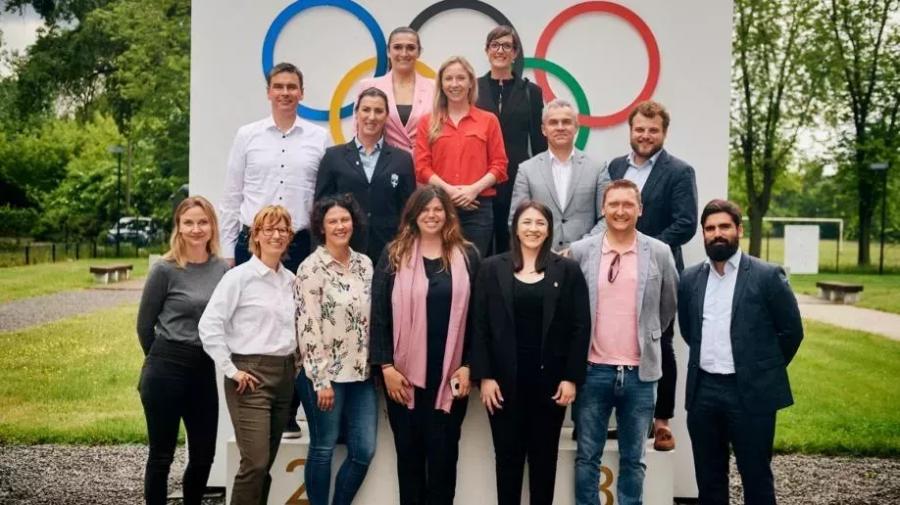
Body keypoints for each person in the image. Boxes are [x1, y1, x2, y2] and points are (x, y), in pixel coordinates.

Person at [219, 61, 328, 438]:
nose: (285, 93)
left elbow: (322, 198)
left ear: (302, 93)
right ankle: (253, 400)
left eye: (291, 87)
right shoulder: (247, 135)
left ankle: (290, 410)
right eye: (278, 86)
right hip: (253, 239)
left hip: (299, 242)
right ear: (268, 92)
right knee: (254, 319)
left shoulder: (318, 138)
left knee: (297, 324)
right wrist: (229, 250)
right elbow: (232, 195)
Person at [679, 199, 803, 505]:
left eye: (724, 226)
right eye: (710, 228)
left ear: (739, 230)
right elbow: (689, 330)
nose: (717, 234)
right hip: (704, 392)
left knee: (756, 477)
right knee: (708, 480)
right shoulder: (690, 279)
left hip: (750, 392)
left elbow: (791, 332)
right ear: (703, 234)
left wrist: (759, 370)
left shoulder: (767, 276)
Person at [471, 200, 590, 505]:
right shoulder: (491, 268)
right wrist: (484, 377)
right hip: (502, 386)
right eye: (527, 222)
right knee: (507, 461)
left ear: (549, 230)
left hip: (550, 386)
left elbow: (580, 327)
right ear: (515, 227)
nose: (533, 229)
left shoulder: (568, 270)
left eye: (540, 223)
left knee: (544, 462)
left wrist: (571, 378)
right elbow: (479, 325)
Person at [370, 185, 481, 505]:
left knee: (444, 462)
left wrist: (469, 365)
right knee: (409, 461)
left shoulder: (468, 255)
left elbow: (480, 317)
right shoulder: (393, 254)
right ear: (413, 215)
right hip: (402, 380)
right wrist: (386, 367)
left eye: (438, 209)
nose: (432, 215)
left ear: (448, 214)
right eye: (425, 209)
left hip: (450, 378)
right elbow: (379, 315)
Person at [569, 179, 678, 505]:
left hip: (640, 375)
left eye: (628, 204)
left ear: (640, 209)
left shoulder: (659, 252)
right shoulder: (581, 251)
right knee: (587, 456)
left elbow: (668, 306)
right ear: (603, 208)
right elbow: (570, 309)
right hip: (593, 371)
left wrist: (648, 336)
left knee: (634, 458)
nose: (620, 211)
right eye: (613, 204)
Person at [606, 100, 698, 450]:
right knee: (616, 339)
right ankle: (623, 420)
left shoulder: (680, 171)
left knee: (659, 340)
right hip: (615, 269)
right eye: (640, 129)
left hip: (659, 269)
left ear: (664, 133)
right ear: (631, 131)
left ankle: (661, 422)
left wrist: (645, 248)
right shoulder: (616, 167)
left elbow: (686, 223)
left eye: (653, 130)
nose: (645, 135)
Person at [198, 205, 298, 505]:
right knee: (254, 462)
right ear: (256, 235)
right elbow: (209, 325)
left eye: (282, 230)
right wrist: (231, 369)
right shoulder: (239, 278)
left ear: (290, 236)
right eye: (269, 229)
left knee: (264, 465)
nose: (276, 235)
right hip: (250, 376)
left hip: (284, 376)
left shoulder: (291, 280)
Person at [136, 196, 229, 505]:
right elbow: (144, 325)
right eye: (188, 222)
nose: (196, 229)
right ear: (178, 227)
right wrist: (159, 360)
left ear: (212, 226)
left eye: (202, 222)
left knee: (204, 455)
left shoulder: (222, 269)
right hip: (166, 365)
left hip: (202, 366)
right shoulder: (164, 269)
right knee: (161, 456)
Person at [294, 194, 376, 505]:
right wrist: (320, 380)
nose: (340, 226)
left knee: (363, 450)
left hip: (361, 374)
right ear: (321, 227)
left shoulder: (365, 264)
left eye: (345, 219)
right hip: (325, 376)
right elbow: (308, 324)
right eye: (333, 221)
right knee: (323, 447)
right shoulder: (310, 268)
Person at [414, 56, 508, 258]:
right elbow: (421, 167)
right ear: (441, 84)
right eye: (448, 79)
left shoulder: (488, 120)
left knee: (473, 266)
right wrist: (450, 192)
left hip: (478, 208)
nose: (454, 84)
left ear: (471, 82)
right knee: (439, 265)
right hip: (438, 207)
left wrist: (473, 190)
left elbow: (499, 165)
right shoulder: (427, 122)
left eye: (460, 78)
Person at [315, 87, 416, 262]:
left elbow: (409, 211)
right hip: (343, 251)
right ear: (356, 113)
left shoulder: (402, 160)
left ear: (386, 116)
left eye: (378, 111)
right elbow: (320, 210)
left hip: (389, 253)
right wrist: (318, 253)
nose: (372, 116)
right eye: (366, 109)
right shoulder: (333, 157)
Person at [475, 25, 547, 254]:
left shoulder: (531, 91)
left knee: (514, 240)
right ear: (487, 51)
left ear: (515, 53)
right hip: (480, 176)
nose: (500, 51)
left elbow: (539, 141)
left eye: (507, 46)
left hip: (517, 176)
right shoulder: (472, 89)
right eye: (495, 45)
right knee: (481, 243)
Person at [509, 98, 609, 251]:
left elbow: (606, 218)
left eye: (566, 122)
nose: (560, 127)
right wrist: (543, 251)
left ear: (576, 127)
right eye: (553, 123)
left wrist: (577, 249)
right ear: (544, 129)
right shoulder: (526, 170)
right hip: (540, 257)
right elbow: (516, 219)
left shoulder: (597, 168)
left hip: (585, 257)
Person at [359, 26, 434, 153]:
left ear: (419, 52)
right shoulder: (368, 86)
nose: (404, 53)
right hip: (383, 163)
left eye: (410, 48)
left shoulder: (435, 87)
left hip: (427, 162)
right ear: (388, 51)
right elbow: (359, 133)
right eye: (398, 47)